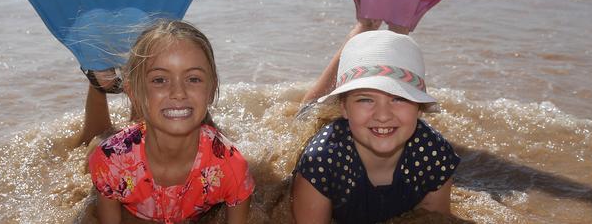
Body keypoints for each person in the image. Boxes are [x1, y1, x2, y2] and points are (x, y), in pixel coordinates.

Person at [291, 19, 460, 223]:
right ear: (344, 107)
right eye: (365, 99)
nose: (382, 115)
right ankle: (366, 21)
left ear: (419, 108)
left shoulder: (434, 155)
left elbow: (434, 219)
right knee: (306, 114)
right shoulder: (321, 161)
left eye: (399, 98)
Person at [88, 19, 254, 223]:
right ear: (133, 93)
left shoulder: (231, 169)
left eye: (193, 79)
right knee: (92, 141)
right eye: (160, 80)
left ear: (211, 90)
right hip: (125, 155)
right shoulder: (110, 161)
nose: (178, 93)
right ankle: (98, 82)